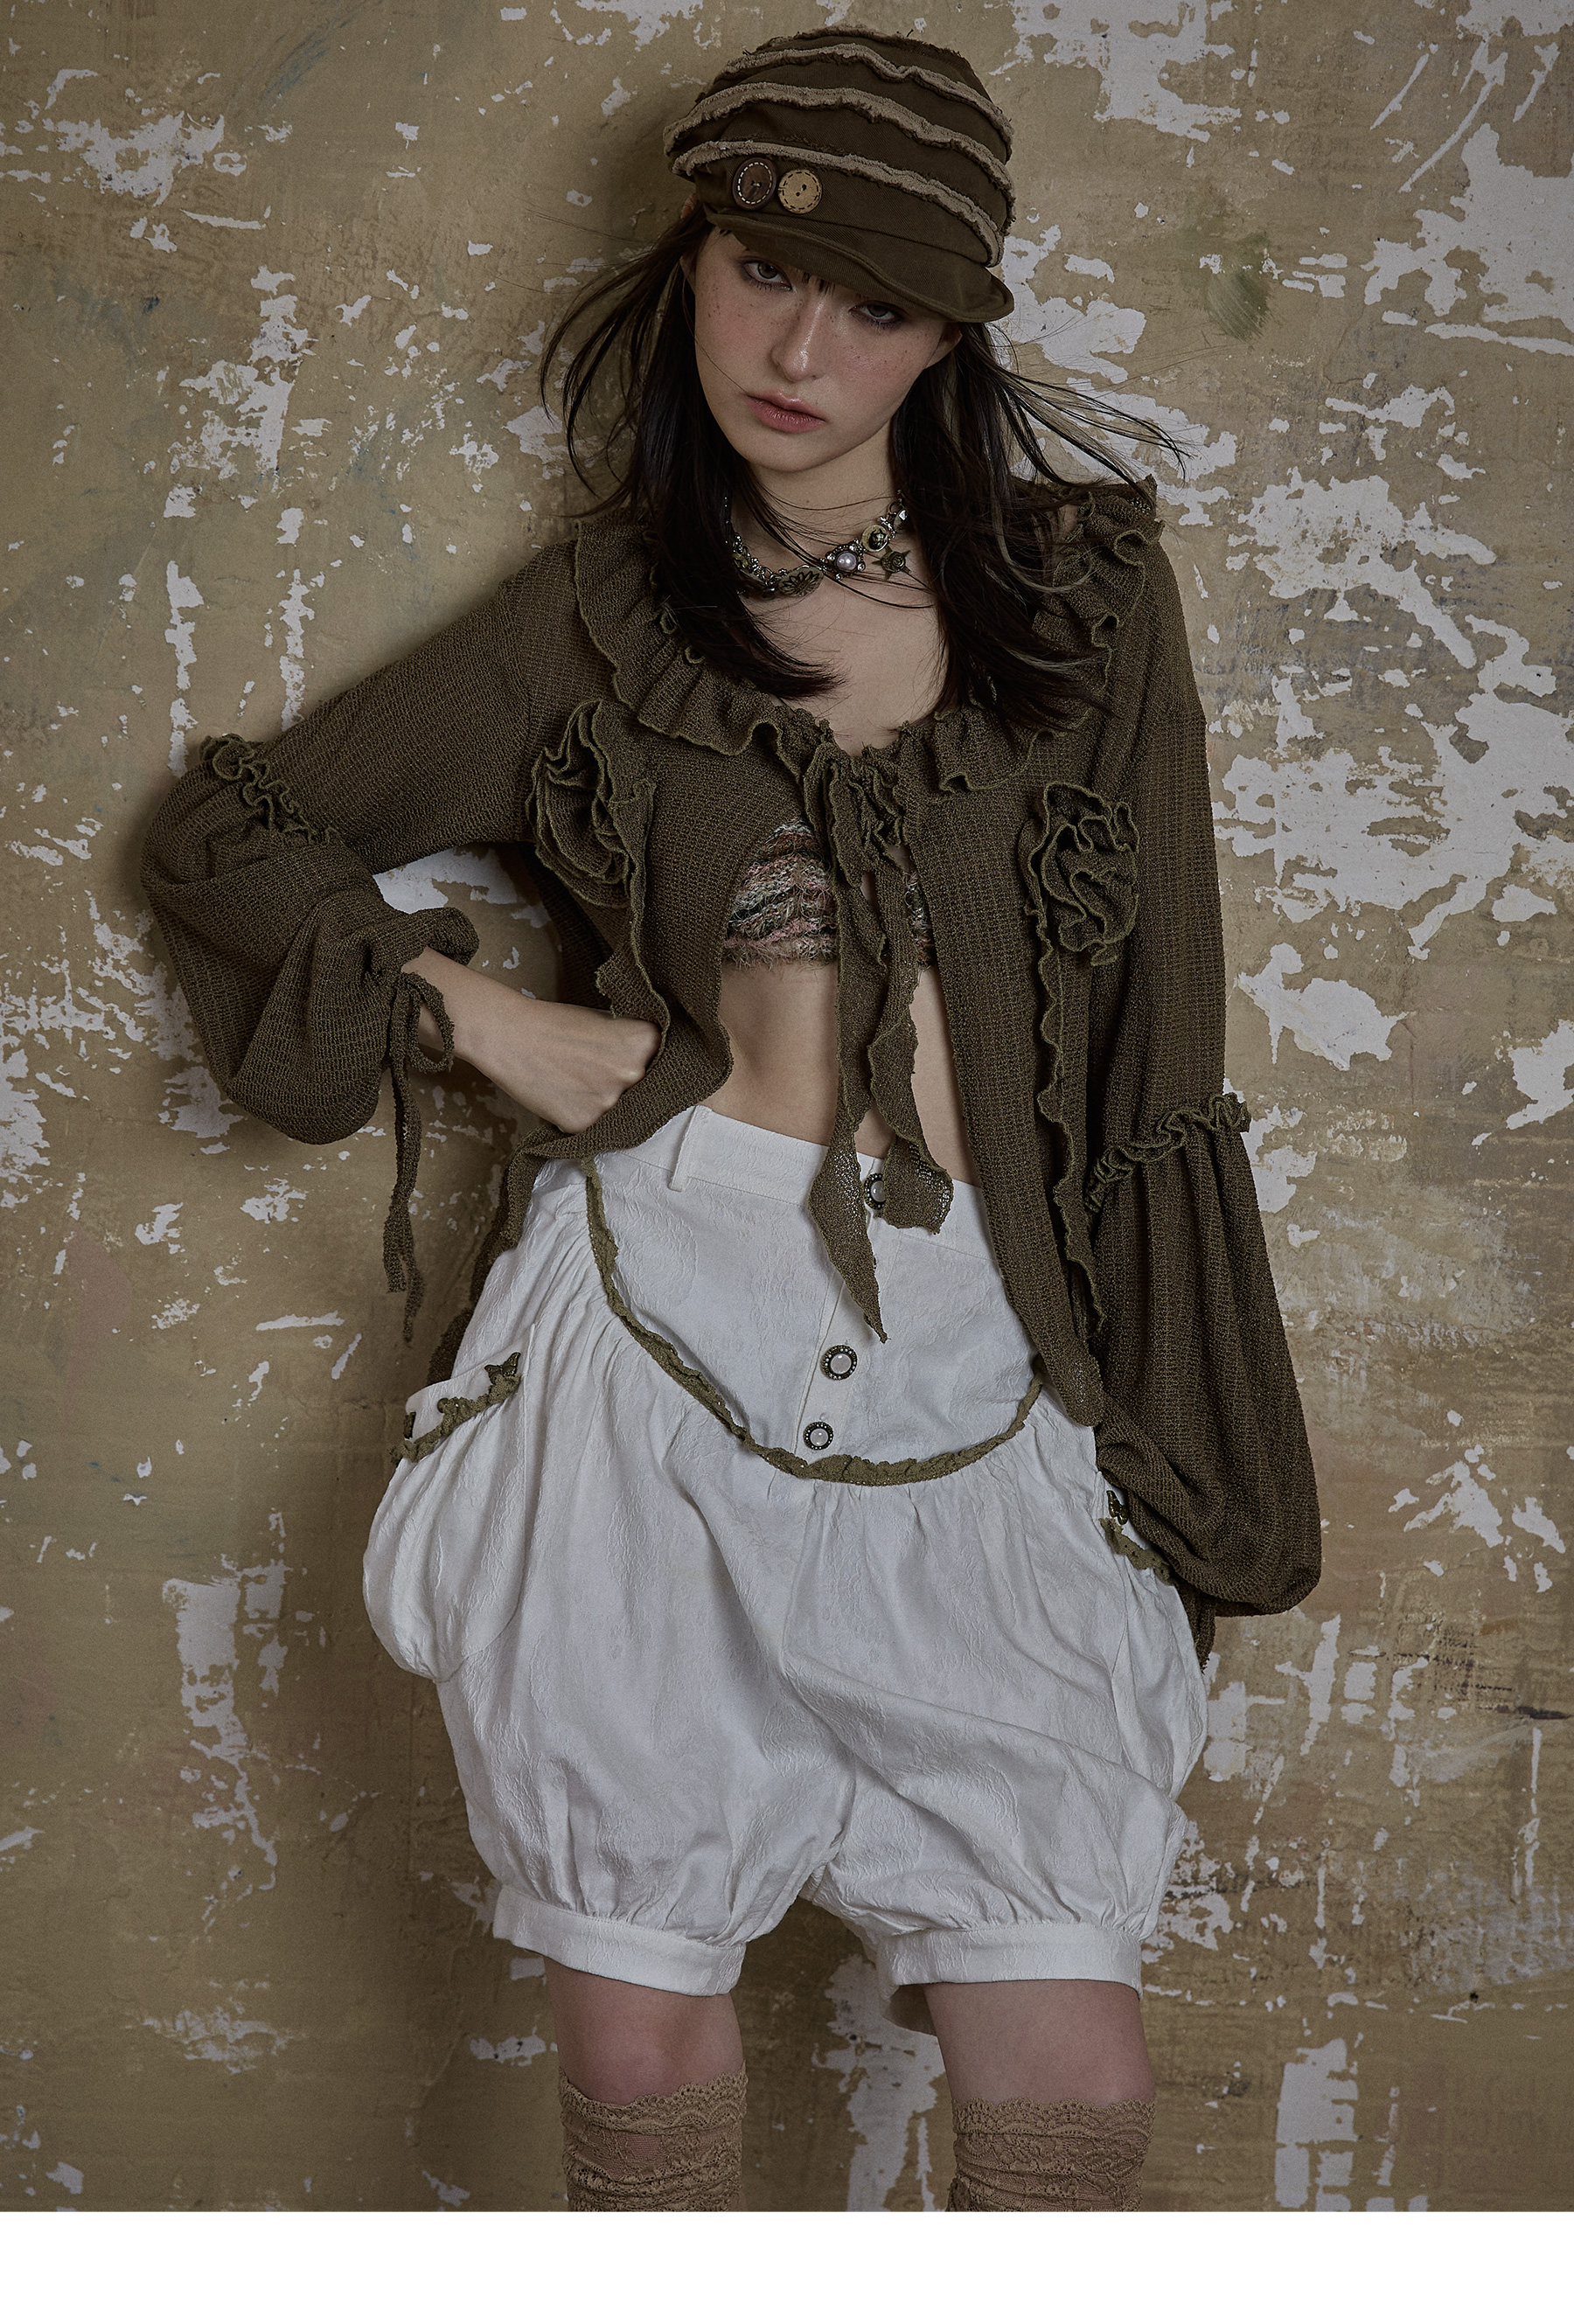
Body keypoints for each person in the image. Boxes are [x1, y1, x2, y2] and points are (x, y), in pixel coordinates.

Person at [142, 26, 1320, 2211]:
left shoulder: (1085, 594)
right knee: (640, 2008)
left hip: (985, 1339)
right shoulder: (596, 621)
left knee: (1068, 2066)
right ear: (690, 257)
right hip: (658, 1312)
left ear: (950, 334)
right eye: (765, 269)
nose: (799, 350)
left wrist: (1175, 1406)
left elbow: (1158, 1046)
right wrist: (479, 1020)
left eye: (877, 304)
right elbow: (238, 833)